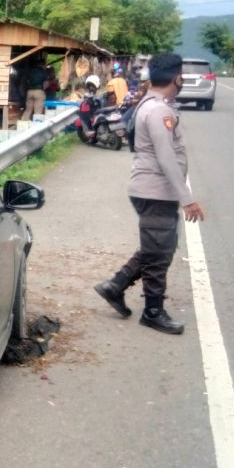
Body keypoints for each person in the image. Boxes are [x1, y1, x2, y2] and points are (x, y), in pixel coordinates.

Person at [94, 53, 205, 334]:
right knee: (159, 255)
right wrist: (188, 199)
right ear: (177, 78)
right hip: (156, 191)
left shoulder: (152, 104)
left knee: (158, 248)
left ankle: (115, 285)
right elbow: (166, 157)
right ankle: (153, 312)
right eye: (182, 75)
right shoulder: (158, 111)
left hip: (152, 190)